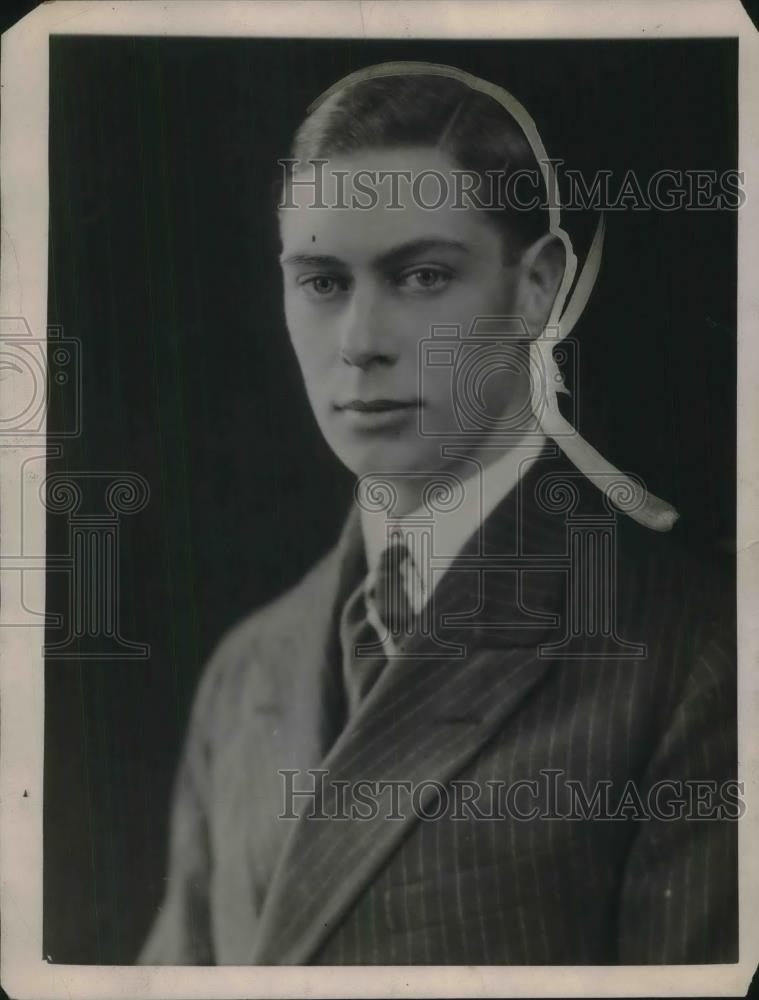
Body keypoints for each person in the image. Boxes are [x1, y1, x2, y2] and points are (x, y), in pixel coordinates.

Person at [138, 63, 737, 966]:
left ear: (535, 288)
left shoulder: (692, 659)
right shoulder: (247, 669)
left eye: (420, 275)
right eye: (321, 282)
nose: (361, 343)